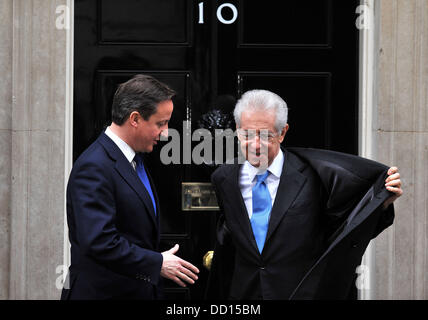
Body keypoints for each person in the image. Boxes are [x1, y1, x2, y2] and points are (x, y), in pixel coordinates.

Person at [206, 89, 402, 300]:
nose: (255, 145)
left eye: (266, 136)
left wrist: (381, 201)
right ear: (237, 130)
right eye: (247, 134)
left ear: (282, 133)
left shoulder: (315, 177)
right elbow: (229, 241)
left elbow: (348, 228)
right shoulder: (224, 178)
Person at [61, 74, 199, 300]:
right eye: (160, 123)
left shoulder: (135, 160)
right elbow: (99, 241)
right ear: (135, 119)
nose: (165, 133)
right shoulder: (94, 166)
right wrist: (157, 263)